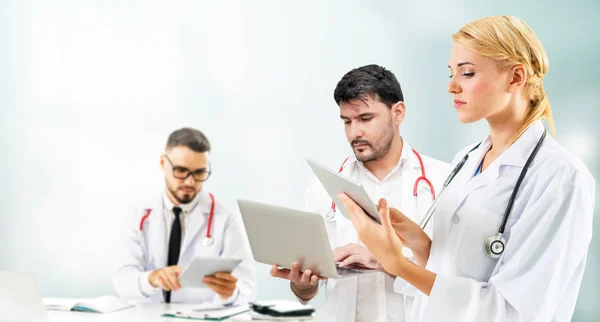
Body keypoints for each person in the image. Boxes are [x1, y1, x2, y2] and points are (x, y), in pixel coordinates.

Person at [339, 15, 596, 322]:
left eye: (467, 73)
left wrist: (399, 265)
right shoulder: (467, 158)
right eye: (451, 73)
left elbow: (515, 312)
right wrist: (420, 244)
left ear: (516, 77)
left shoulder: (561, 177)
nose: (451, 87)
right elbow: (457, 272)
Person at [270, 64, 451, 322]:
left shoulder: (444, 181)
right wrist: (303, 285)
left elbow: (454, 282)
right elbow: (307, 290)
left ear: (397, 112)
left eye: (365, 119)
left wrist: (386, 262)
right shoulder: (322, 186)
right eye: (347, 121)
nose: (355, 133)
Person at [113, 127, 256, 304]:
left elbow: (247, 287)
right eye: (181, 171)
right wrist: (151, 279)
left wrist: (231, 293)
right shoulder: (138, 215)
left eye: (199, 172)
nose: (190, 181)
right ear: (163, 163)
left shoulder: (225, 219)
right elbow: (122, 281)